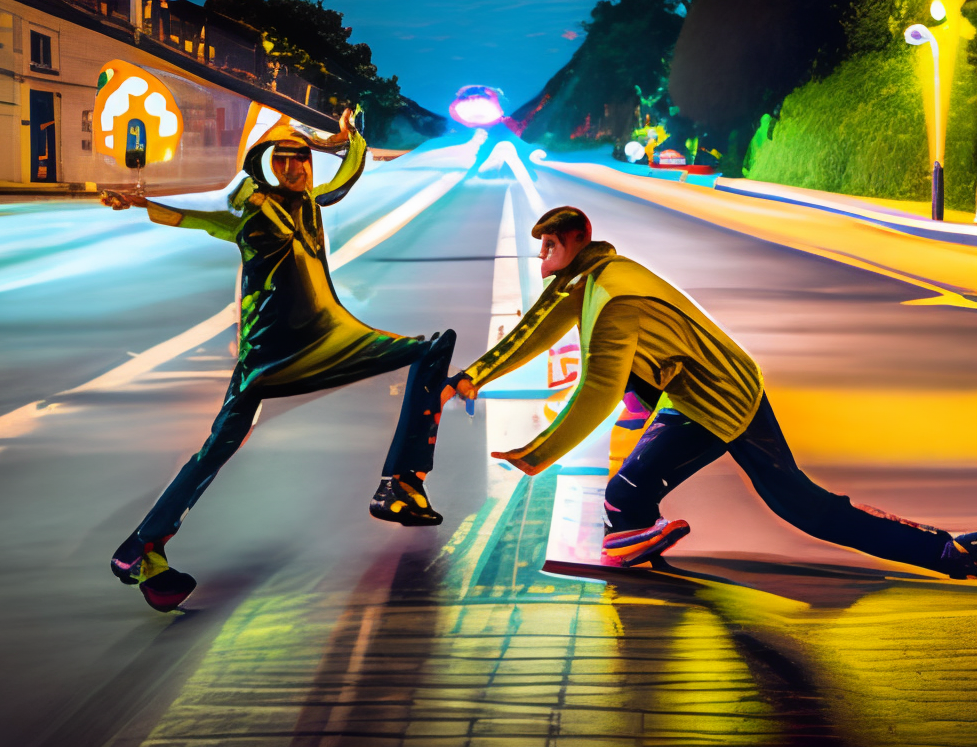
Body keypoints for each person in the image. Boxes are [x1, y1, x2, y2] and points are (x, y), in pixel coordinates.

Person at [452, 205, 977, 579]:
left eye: (549, 248)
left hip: (717, 396)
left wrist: (535, 454)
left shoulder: (613, 300)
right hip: (697, 390)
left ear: (573, 244)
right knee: (781, 499)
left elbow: (597, 389)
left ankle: (951, 554)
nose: (542, 258)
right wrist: (471, 377)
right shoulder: (592, 277)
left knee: (794, 505)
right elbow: (537, 327)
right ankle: (947, 551)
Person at [102, 110, 461, 611]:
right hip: (267, 353)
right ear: (266, 166)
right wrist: (141, 202)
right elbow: (194, 218)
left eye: (303, 159)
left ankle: (400, 483)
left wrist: (345, 138)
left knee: (431, 347)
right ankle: (142, 549)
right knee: (214, 451)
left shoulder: (312, 203)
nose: (298, 167)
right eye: (285, 159)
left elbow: (348, 174)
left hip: (329, 335)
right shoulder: (247, 215)